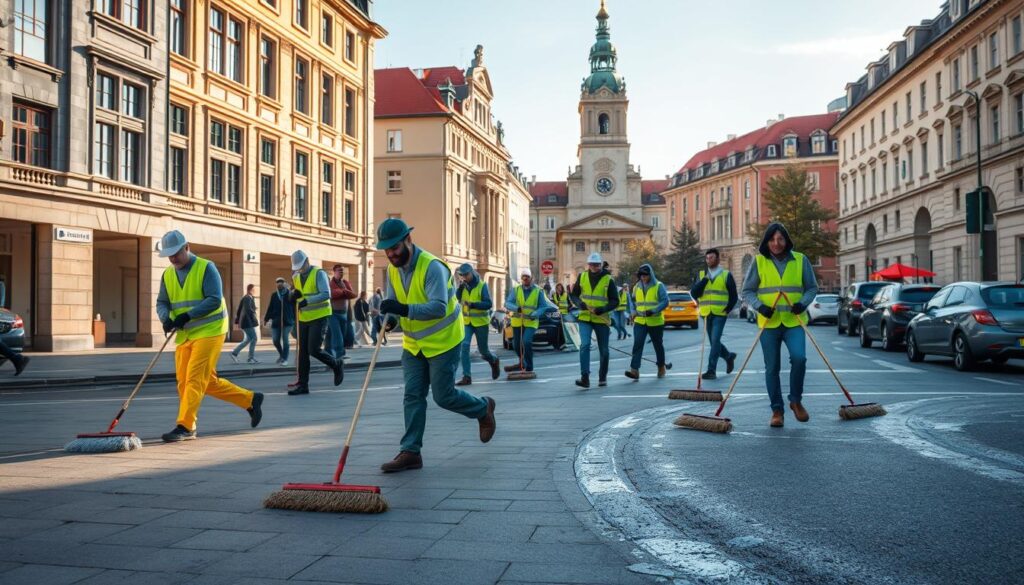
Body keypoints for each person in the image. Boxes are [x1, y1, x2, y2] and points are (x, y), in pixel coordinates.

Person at [376, 218, 496, 473]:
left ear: (408, 240)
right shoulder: (393, 269)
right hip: (414, 345)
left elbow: (439, 307)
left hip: (444, 341)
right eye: (386, 249)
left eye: (394, 247)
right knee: (412, 395)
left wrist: (403, 309)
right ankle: (410, 452)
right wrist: (390, 321)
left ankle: (483, 408)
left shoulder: (432, 267)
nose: (391, 254)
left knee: (443, 396)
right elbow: (394, 305)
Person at [154, 230, 262, 442]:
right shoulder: (168, 274)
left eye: (176, 253)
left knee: (194, 378)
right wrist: (165, 318)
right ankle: (250, 400)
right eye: (169, 255)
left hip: (210, 330)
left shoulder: (206, 268)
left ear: (187, 247)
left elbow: (214, 299)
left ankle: (185, 426)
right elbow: (162, 302)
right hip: (185, 334)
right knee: (192, 382)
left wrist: (187, 315)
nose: (173, 258)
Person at [741, 222, 818, 428]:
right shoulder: (759, 262)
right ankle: (777, 410)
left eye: (781, 239)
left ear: (786, 240)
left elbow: (811, 288)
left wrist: (803, 304)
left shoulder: (801, 260)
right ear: (767, 241)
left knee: (799, 359)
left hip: (794, 321)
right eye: (773, 239)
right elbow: (747, 291)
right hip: (769, 323)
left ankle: (795, 401)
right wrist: (760, 306)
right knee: (772, 367)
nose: (777, 243)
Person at [288, 250, 344, 395]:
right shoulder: (296, 276)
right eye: (297, 268)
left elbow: (326, 294)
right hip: (304, 318)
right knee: (303, 353)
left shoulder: (319, 273)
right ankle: (303, 385)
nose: (300, 269)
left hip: (320, 316)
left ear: (307, 261)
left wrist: (306, 301)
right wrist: (292, 296)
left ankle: (336, 363)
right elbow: (296, 293)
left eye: (301, 266)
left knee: (313, 349)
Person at [570, 252, 619, 388]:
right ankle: (584, 377)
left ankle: (602, 377)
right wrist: (580, 304)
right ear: (588, 264)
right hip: (585, 317)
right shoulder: (583, 276)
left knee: (604, 350)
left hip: (601, 319)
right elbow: (574, 296)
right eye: (591, 264)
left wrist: (602, 309)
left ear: (600, 265)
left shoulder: (608, 279)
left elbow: (615, 301)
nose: (594, 267)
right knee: (584, 345)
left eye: (596, 265)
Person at [691, 248, 738, 380]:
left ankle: (711, 370)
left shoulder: (726, 275)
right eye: (707, 258)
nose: (709, 260)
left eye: (711, 258)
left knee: (715, 340)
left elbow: (733, 295)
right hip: (706, 313)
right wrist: (705, 281)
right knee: (713, 343)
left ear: (717, 259)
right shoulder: (701, 275)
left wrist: (727, 309)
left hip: (719, 313)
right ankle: (729, 356)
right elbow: (694, 293)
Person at [455, 263, 500, 386]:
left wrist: (473, 304)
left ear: (472, 272)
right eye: (462, 275)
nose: (464, 277)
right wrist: (459, 287)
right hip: (466, 322)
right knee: (464, 346)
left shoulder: (482, 285)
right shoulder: (463, 286)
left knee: (483, 351)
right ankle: (467, 376)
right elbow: (457, 298)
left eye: (466, 274)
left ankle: (494, 360)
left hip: (481, 323)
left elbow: (488, 304)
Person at [504, 267, 554, 375]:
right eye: (523, 277)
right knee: (516, 345)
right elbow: (507, 303)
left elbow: (543, 306)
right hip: (518, 321)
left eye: (527, 277)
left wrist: (535, 314)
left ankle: (529, 367)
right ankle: (522, 362)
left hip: (531, 322)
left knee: (526, 341)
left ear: (531, 278)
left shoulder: (538, 291)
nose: (525, 279)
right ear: (521, 279)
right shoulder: (516, 290)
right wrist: (516, 308)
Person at [625, 264, 669, 379]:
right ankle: (634, 370)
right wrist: (633, 311)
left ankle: (661, 366)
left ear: (651, 274)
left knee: (657, 345)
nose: (643, 278)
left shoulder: (659, 286)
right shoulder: (636, 287)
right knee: (637, 344)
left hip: (655, 321)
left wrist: (653, 310)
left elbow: (665, 302)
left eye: (645, 275)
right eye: (641, 276)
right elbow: (632, 301)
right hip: (640, 321)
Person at [327, 264, 356, 360]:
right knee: (337, 335)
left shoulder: (345, 282)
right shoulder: (330, 283)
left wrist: (343, 291)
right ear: (334, 272)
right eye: (339, 271)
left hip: (344, 313)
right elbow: (332, 294)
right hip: (333, 314)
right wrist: (343, 292)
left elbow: (352, 294)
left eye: (342, 271)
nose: (341, 272)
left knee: (338, 334)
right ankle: (340, 354)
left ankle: (327, 352)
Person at [264, 278, 295, 365]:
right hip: (276, 321)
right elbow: (270, 307)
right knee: (275, 340)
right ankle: (282, 355)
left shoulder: (289, 294)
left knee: (285, 339)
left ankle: (285, 359)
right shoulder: (274, 295)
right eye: (277, 282)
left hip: (288, 321)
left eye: (281, 282)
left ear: (285, 283)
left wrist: (296, 318)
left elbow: (295, 307)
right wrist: (266, 319)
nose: (279, 284)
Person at [231, 283, 259, 364]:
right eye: (254, 289)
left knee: (249, 339)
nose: (255, 290)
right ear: (250, 290)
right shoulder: (247, 298)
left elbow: (239, 310)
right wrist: (254, 310)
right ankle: (250, 358)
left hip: (247, 322)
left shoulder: (249, 298)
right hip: (247, 322)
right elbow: (248, 309)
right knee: (254, 338)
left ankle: (235, 353)